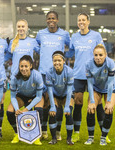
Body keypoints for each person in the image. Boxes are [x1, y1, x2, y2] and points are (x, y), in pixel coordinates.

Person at [65, 13, 111, 143]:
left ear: (88, 22)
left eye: (83, 20)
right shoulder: (74, 37)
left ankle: (104, 134)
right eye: (79, 20)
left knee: (98, 103)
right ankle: (76, 132)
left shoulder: (96, 36)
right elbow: (71, 52)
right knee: (78, 103)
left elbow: (102, 53)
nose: (81, 22)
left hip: (95, 74)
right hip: (79, 74)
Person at [36, 11, 70, 139]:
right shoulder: (40, 34)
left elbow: (70, 48)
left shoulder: (64, 34)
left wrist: (65, 59)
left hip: (58, 74)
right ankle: (43, 130)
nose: (51, 20)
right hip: (43, 73)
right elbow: (36, 47)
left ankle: (57, 131)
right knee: (44, 103)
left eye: (53, 18)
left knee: (56, 103)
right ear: (46, 20)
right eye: (49, 18)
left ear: (57, 20)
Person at [7, 55, 44, 146]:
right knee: (10, 111)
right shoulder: (14, 77)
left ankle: (36, 136)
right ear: (19, 67)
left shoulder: (37, 75)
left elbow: (39, 97)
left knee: (39, 110)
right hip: (22, 96)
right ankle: (17, 133)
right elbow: (12, 96)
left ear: (31, 66)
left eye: (26, 66)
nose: (24, 69)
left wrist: (27, 109)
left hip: (35, 96)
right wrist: (17, 109)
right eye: (21, 66)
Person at [84, 44, 114, 146]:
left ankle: (103, 138)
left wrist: (109, 101)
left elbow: (110, 84)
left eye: (100, 55)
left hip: (110, 89)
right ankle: (90, 137)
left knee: (109, 110)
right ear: (93, 55)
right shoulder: (88, 64)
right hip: (96, 88)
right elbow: (90, 84)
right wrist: (92, 102)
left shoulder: (110, 63)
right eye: (96, 55)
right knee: (90, 109)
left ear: (105, 55)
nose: (98, 57)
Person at [45, 51, 74, 145]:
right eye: (54, 61)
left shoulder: (69, 71)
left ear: (63, 61)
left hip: (66, 95)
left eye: (59, 60)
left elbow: (69, 90)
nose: (57, 63)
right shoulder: (49, 72)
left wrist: (67, 106)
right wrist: (52, 106)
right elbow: (49, 90)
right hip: (55, 95)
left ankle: (69, 139)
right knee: (53, 113)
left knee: (68, 113)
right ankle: (54, 138)